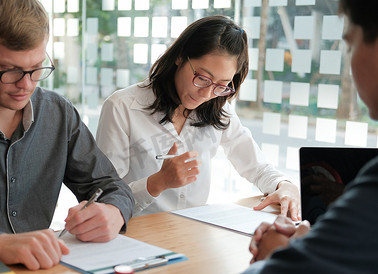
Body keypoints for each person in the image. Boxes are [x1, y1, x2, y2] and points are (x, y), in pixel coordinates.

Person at [0, 0, 134, 271]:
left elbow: (111, 185)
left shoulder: (58, 114)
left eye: (37, 67)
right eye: (10, 69)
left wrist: (113, 211)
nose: (26, 85)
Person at [211, 0, 378, 274]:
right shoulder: (124, 106)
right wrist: (313, 242)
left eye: (350, 44)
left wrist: (283, 253)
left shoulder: (219, 112)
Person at [96, 15, 300, 220]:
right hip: (134, 232)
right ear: (180, 57)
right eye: (202, 78)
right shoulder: (122, 107)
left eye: (222, 85)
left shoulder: (218, 109)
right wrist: (158, 182)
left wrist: (284, 185)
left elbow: (257, 167)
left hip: (193, 230)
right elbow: (104, 198)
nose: (206, 94)